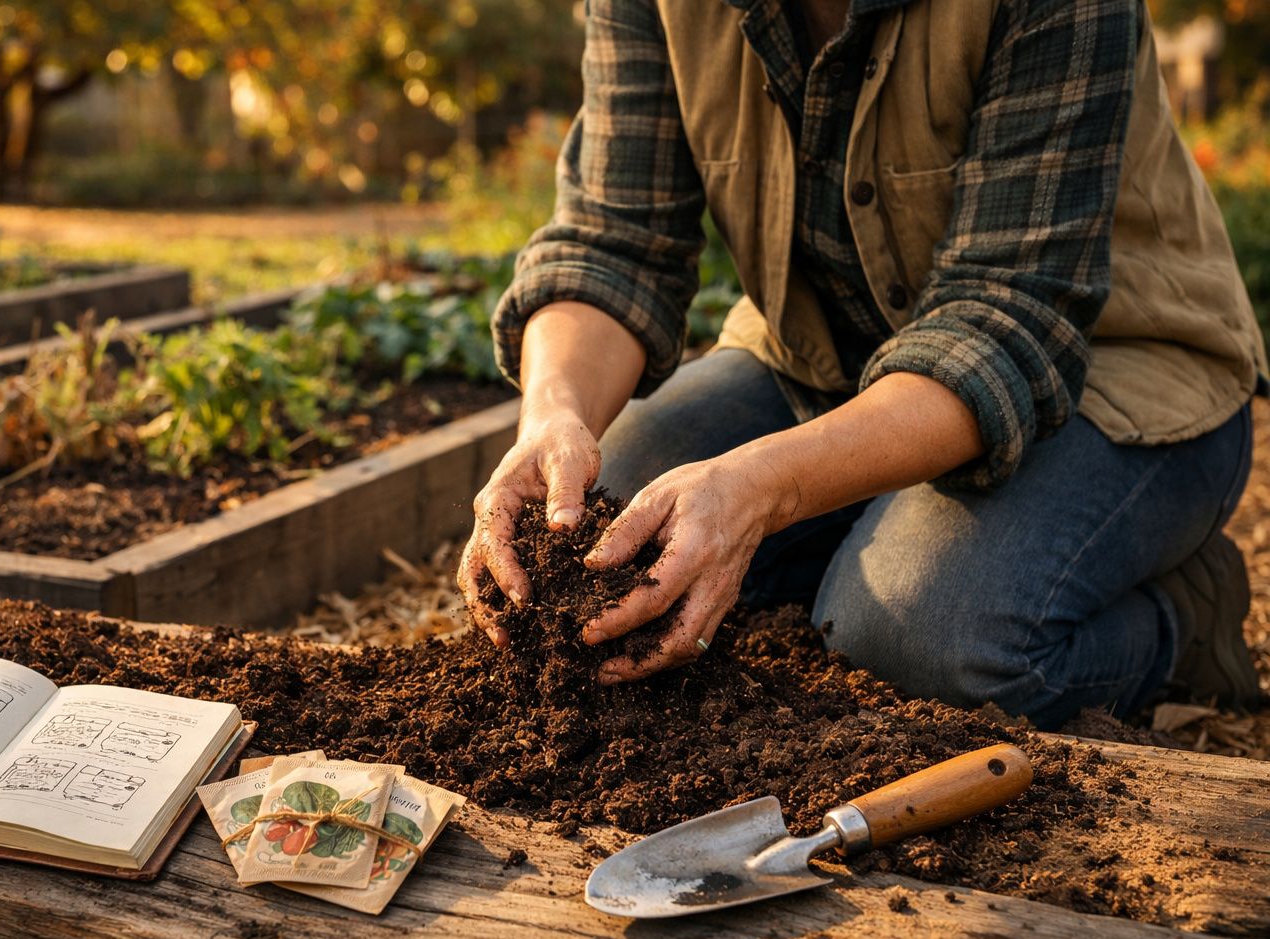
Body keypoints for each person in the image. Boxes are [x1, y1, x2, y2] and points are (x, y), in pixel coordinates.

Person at [457, 0, 1266, 729]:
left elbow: (1007, 317)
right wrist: (553, 415)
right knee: (623, 520)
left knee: (925, 646)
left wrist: (765, 485)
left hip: (1112, 372)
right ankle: (861, 534)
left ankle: (1179, 620)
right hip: (822, 362)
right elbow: (614, 240)